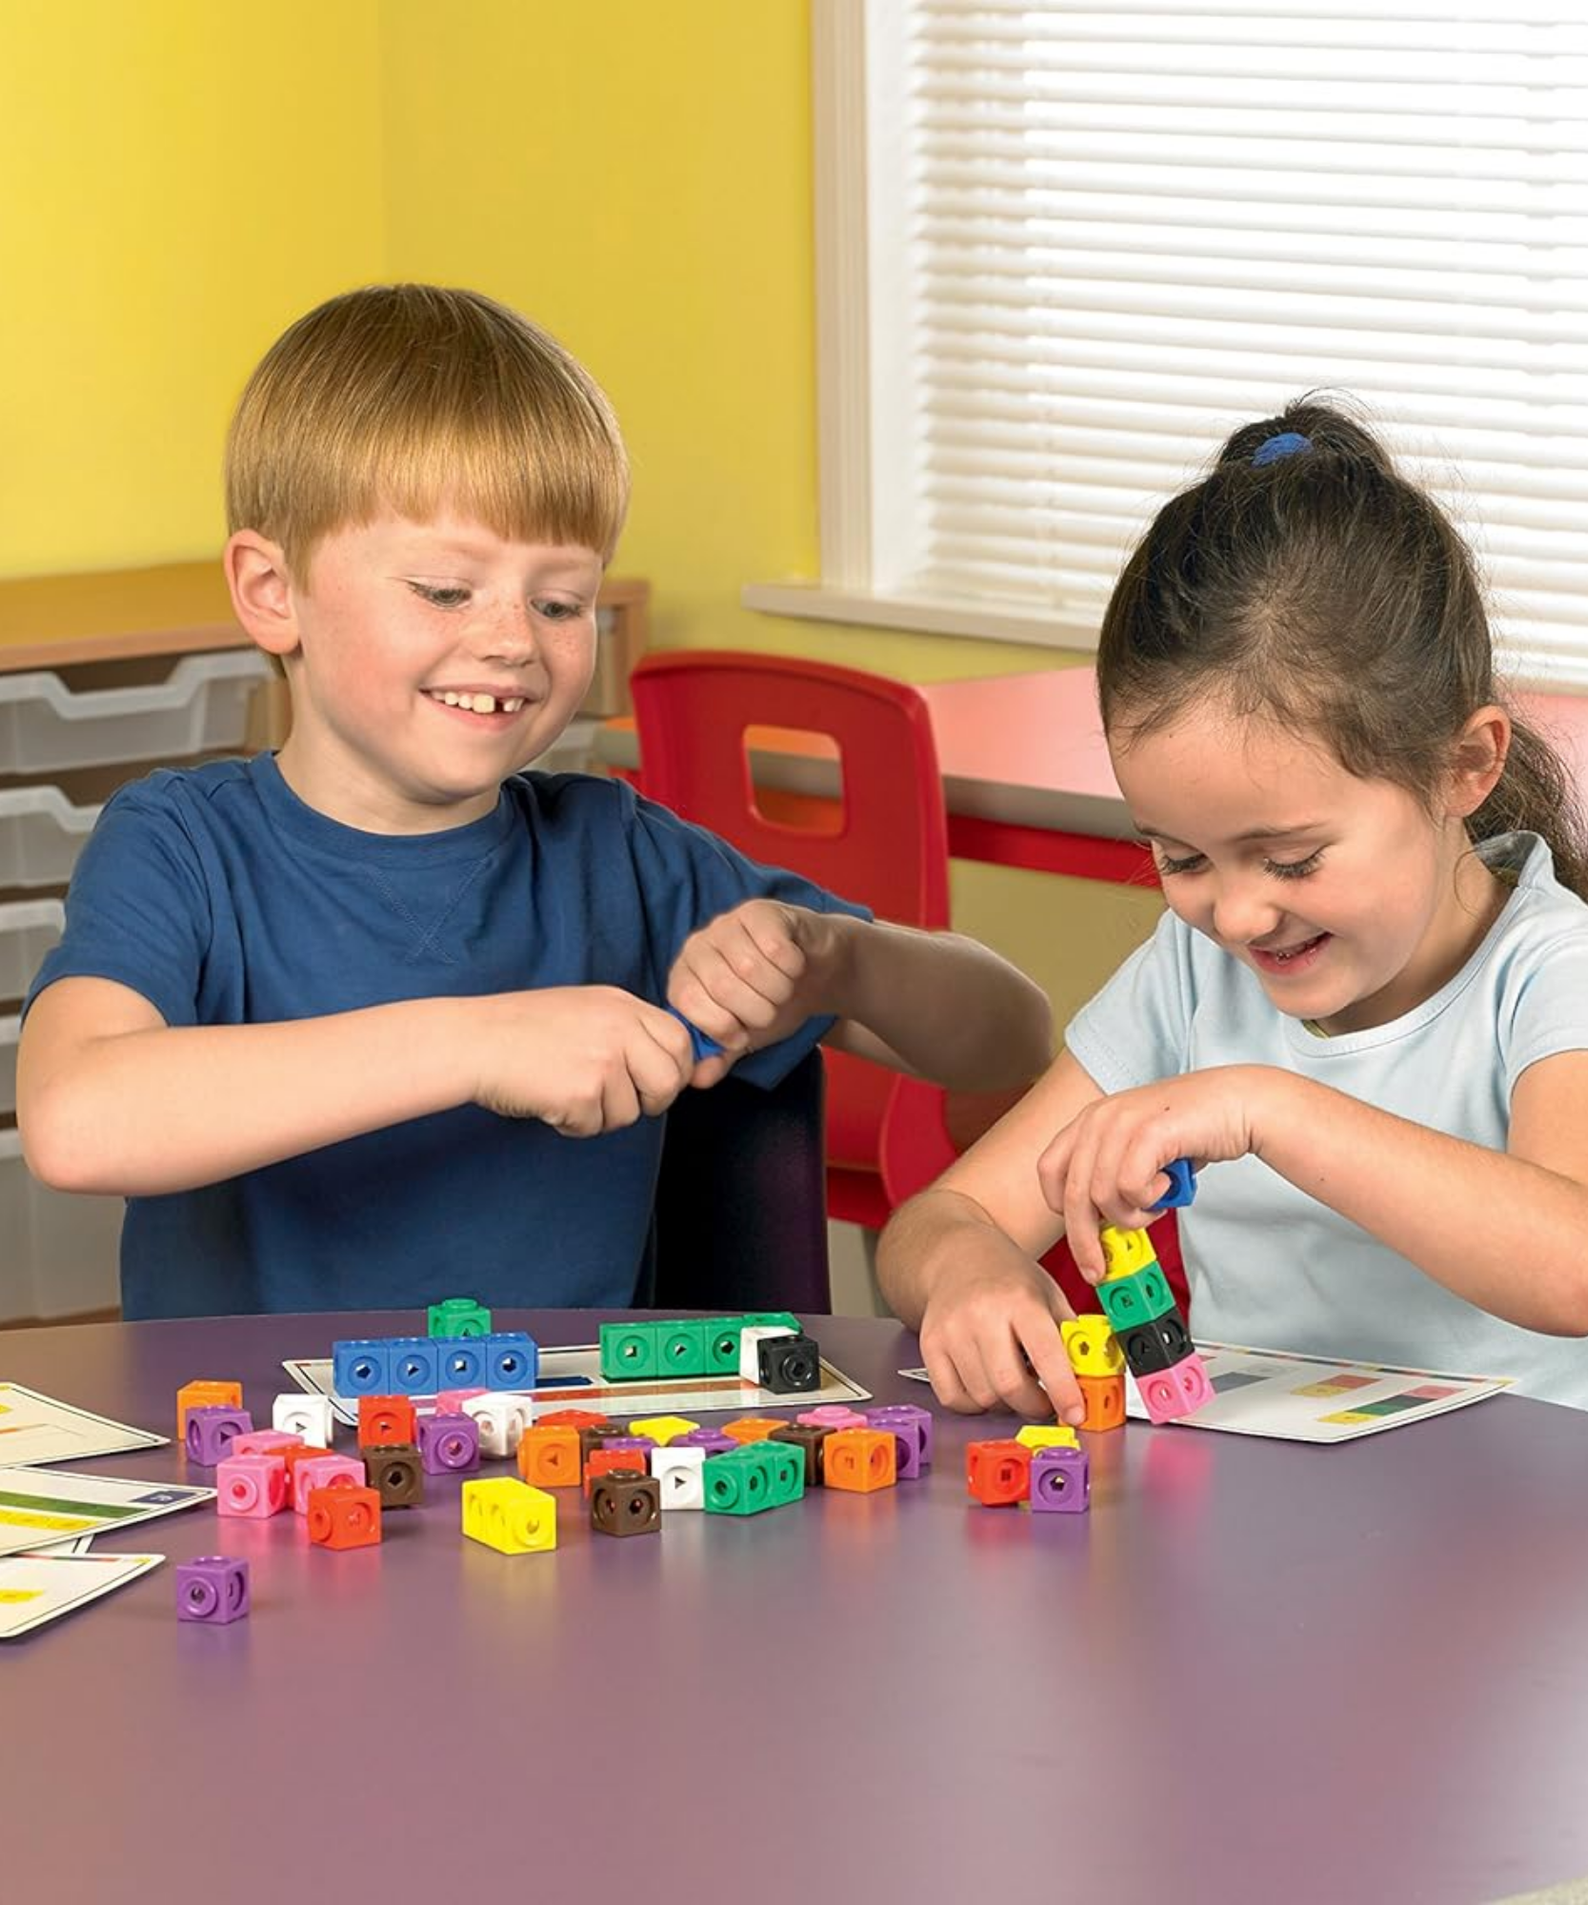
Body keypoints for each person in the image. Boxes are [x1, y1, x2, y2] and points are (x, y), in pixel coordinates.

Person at [17, 283, 1053, 1320]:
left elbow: (1009, 1035)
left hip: (577, 1463)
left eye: (560, 602)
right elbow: (76, 1119)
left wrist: (846, 960)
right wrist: (476, 1045)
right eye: (444, 590)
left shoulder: (625, 858)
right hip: (256, 1463)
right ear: (272, 592)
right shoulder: (180, 846)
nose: (513, 638)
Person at [878, 399, 1588, 1420]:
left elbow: (1568, 1266)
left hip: (1516, 1539)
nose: (1240, 916)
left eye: (1291, 860)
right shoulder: (1192, 967)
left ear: (1462, 766)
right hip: (1258, 1531)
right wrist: (964, 1271)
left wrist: (1270, 1107)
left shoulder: (1546, 972)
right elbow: (941, 1217)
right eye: (1180, 857)